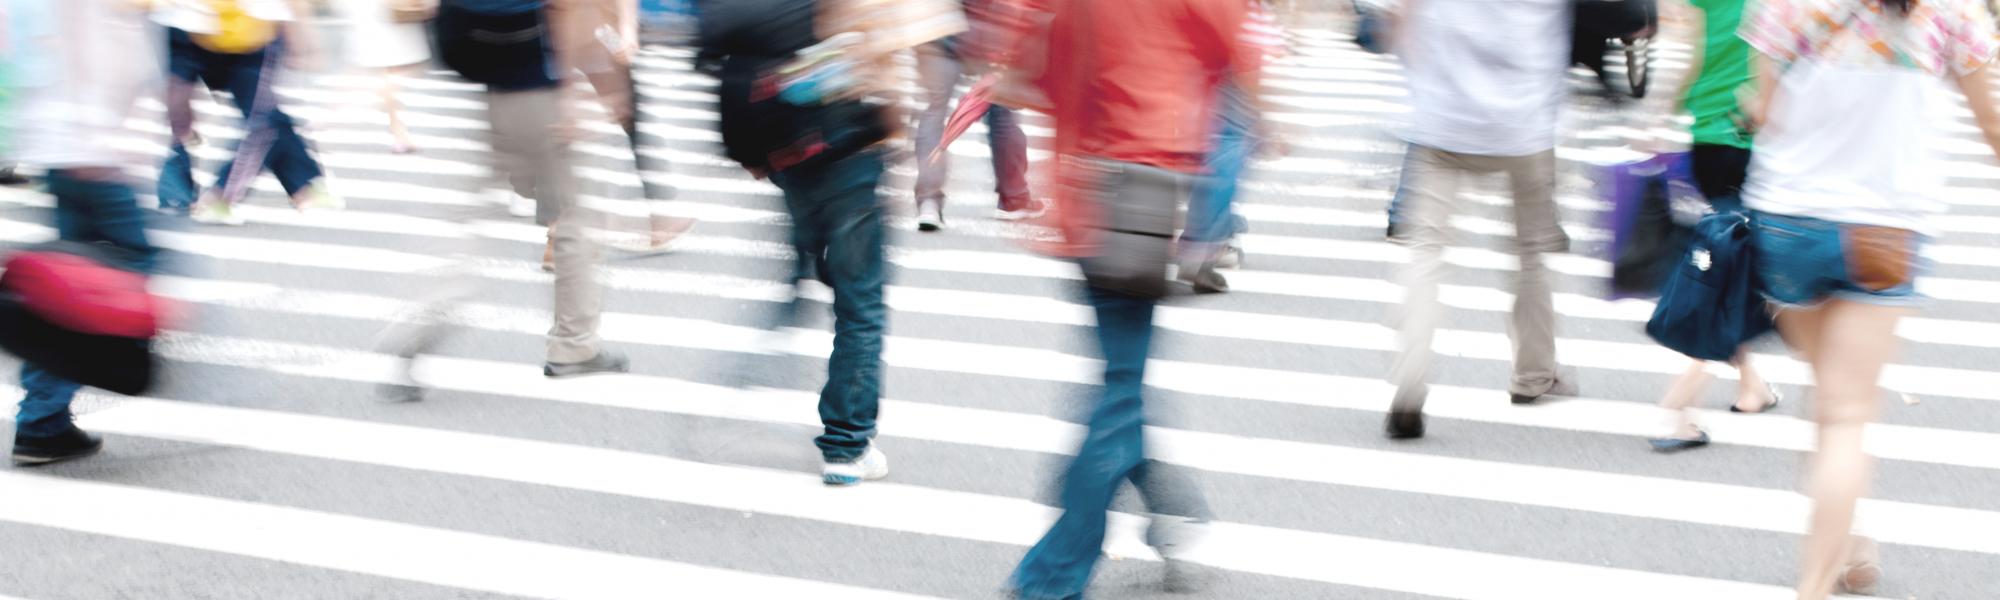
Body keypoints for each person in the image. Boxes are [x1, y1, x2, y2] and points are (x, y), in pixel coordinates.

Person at [995, 0, 1262, 596]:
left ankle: (1172, 514)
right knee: (1120, 393)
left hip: (1080, 195)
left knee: (1120, 374)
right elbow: (1241, 62)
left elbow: (1018, 74)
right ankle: (1053, 577)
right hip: (1141, 198)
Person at [1737, 0, 2000, 596]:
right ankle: (1814, 584)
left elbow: (1765, 114)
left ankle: (1853, 548)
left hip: (1788, 222)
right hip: (1885, 233)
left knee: (1830, 405)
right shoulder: (1954, 11)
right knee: (1846, 417)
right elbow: (1993, 126)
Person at [699, 0, 956, 485]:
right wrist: (923, 152)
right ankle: (846, 445)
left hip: (789, 144)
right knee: (859, 304)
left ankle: (787, 308)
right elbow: (926, 53)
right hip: (852, 146)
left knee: (818, 268)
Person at [376, 0, 628, 401]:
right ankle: (574, 346)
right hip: (543, 101)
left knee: (469, 220)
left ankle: (419, 327)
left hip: (495, 97)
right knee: (576, 224)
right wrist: (576, 91)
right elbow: (567, 13)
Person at [1383, 0, 1575, 440]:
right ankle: (1533, 374)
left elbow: (1399, 20)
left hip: (1443, 120)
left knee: (1424, 255)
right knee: (1530, 254)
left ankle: (1410, 384)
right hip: (1525, 122)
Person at [7, 0, 161, 465]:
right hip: (91, 154)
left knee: (71, 283)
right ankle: (43, 417)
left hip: (71, 149)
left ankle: (43, 419)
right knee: (97, 288)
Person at [1645, 0, 1782, 453]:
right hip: (1749, 136)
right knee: (1725, 268)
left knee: (1728, 260)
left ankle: (1753, 387)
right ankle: (1679, 407)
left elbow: (1689, 54)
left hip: (1706, 139)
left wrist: (1664, 111)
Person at [153, 0, 343, 224]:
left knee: (262, 116)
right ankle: (217, 197)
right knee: (262, 119)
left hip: (233, 29)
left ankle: (305, 184)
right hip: (227, 29)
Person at [911, 0, 1035, 232]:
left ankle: (928, 201)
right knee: (1002, 107)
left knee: (934, 111)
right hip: (989, 28)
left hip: (936, 24)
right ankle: (1013, 198)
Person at [336, 0, 435, 154]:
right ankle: (398, 130)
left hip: (388, 14)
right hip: (379, 14)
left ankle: (359, 101)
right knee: (387, 67)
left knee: (393, 68)